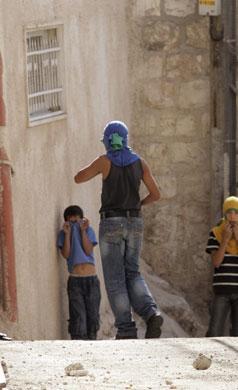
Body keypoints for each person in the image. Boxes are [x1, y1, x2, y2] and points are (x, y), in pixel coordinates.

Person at [74, 120, 163, 340]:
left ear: (106, 140)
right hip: (134, 222)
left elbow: (78, 178)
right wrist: (138, 205)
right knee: (133, 272)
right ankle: (151, 313)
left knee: (115, 279)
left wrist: (97, 164)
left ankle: (126, 329)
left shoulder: (104, 162)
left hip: (111, 223)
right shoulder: (140, 162)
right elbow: (156, 194)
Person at [205, 196, 238, 337]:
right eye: (229, 213)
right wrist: (226, 239)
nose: (233, 217)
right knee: (214, 332)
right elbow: (216, 262)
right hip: (221, 289)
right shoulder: (215, 233)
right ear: (224, 214)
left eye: (236, 213)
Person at [57, 205, 101, 340]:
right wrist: (68, 234)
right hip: (75, 280)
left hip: (92, 280)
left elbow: (88, 251)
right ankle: (78, 346)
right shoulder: (63, 234)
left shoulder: (88, 231)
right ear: (66, 221)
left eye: (78, 220)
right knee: (78, 316)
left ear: (83, 219)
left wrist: (82, 232)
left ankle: (92, 343)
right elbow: (66, 254)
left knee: (93, 315)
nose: (75, 223)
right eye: (71, 220)